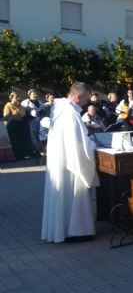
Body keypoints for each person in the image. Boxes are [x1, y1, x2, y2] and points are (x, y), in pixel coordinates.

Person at [41, 82, 99, 243]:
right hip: (71, 163)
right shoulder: (70, 115)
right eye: (86, 99)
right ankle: (77, 231)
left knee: (63, 195)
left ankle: (64, 229)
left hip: (60, 160)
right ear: (78, 96)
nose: (87, 103)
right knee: (74, 193)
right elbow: (79, 146)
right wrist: (93, 145)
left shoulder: (59, 109)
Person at [3, 92, 36, 160]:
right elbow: (6, 116)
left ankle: (27, 154)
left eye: (19, 97)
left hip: (22, 125)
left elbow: (23, 114)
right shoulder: (8, 105)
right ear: (11, 98)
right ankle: (18, 155)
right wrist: (16, 118)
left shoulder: (20, 105)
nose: (18, 98)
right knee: (16, 141)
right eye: (16, 97)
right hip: (13, 126)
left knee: (24, 140)